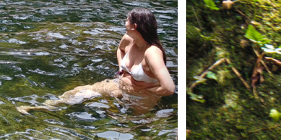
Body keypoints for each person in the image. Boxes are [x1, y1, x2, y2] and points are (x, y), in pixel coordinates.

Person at [22, 8, 175, 115]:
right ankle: (39, 107)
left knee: (133, 126)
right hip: (119, 85)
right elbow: (120, 50)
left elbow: (168, 88)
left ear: (135, 26)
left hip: (142, 98)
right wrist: (122, 69)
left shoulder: (152, 52)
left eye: (127, 20)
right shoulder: (128, 39)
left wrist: (143, 91)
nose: (124, 22)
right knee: (79, 92)